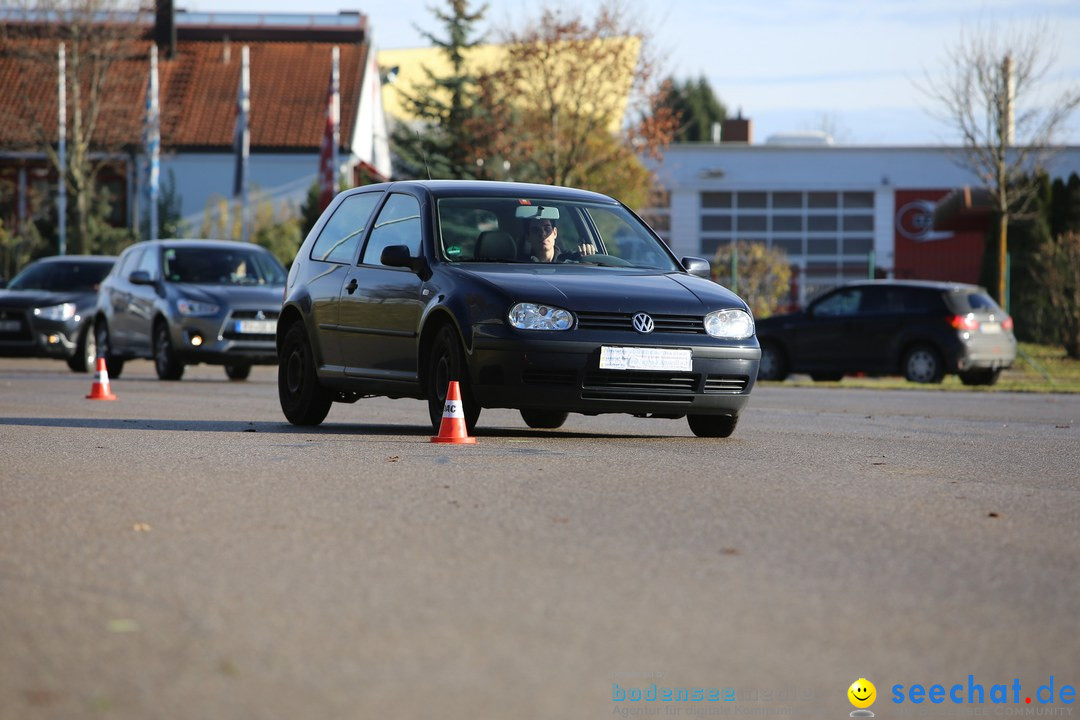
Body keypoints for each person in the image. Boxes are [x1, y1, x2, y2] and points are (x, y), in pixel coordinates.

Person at [522, 217, 596, 262]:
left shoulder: (573, 261)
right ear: (528, 236)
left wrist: (589, 256)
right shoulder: (520, 265)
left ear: (555, 233)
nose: (542, 234)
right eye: (535, 230)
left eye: (547, 229)